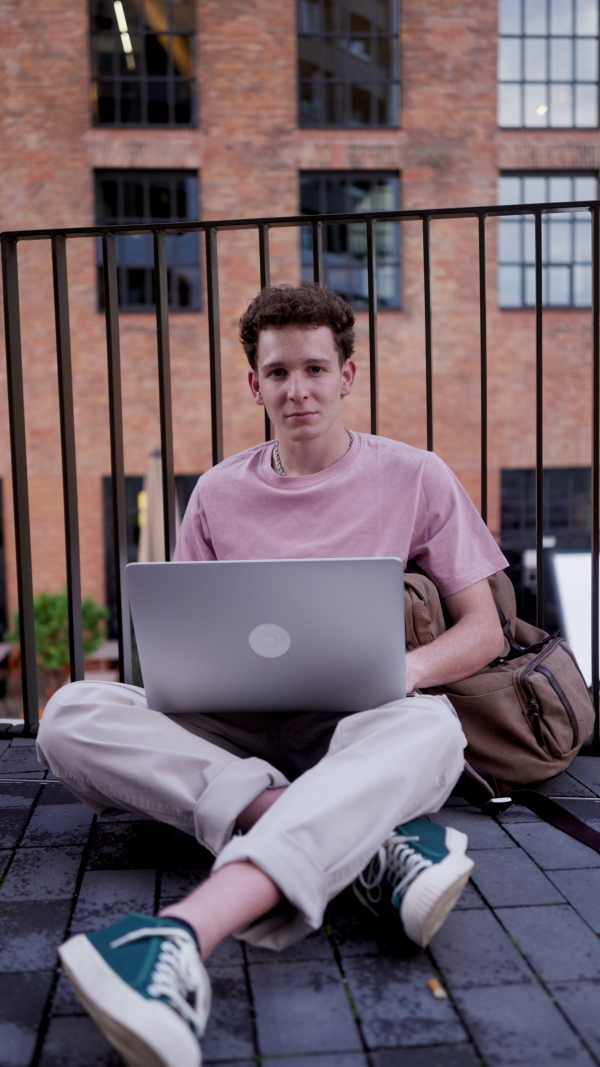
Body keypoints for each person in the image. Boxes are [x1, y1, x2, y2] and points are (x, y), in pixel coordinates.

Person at [37, 283, 507, 1067]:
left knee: (433, 725)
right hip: (234, 729)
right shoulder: (218, 492)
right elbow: (181, 640)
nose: (299, 390)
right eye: (279, 372)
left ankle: (183, 929)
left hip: (359, 726)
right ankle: (361, 836)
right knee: (71, 712)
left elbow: (484, 629)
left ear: (348, 376)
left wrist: (405, 669)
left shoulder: (417, 475)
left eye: (316, 369)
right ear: (254, 383)